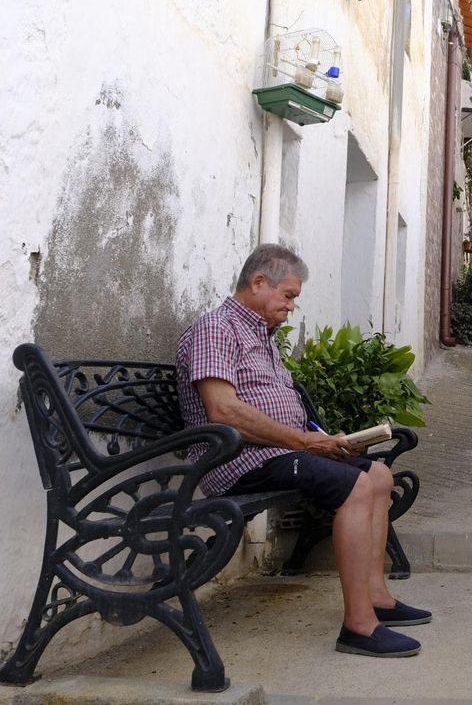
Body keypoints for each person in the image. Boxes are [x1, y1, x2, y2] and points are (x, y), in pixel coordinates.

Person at [176, 243, 429, 657]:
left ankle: (377, 597)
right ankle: (359, 627)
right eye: (289, 295)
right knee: (356, 487)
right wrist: (303, 441)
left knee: (379, 475)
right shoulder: (216, 329)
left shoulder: (261, 335)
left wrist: (325, 438)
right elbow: (223, 411)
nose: (292, 305)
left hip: (278, 452)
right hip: (238, 461)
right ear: (258, 283)